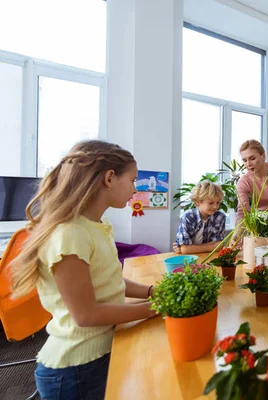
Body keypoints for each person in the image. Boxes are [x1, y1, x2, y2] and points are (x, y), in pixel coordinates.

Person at [10, 140, 158, 400]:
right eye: (133, 180)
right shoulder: (70, 233)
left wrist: (151, 292)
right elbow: (86, 315)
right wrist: (157, 309)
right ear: (110, 178)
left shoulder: (96, 224)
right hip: (76, 368)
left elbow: (108, 279)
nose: (135, 190)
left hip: (97, 354)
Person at [172, 181, 226, 254]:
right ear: (197, 202)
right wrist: (211, 247)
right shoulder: (188, 217)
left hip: (208, 257)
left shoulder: (220, 217)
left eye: (218, 202)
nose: (215, 206)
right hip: (188, 259)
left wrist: (190, 248)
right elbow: (185, 250)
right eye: (211, 203)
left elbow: (219, 246)